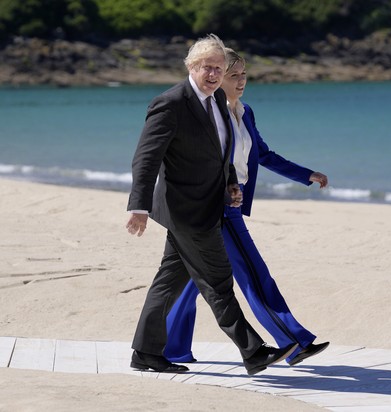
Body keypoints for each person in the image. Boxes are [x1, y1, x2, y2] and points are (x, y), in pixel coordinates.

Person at [125, 34, 297, 376]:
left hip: (209, 204)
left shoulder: (217, 100)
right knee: (218, 280)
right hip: (184, 210)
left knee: (168, 282)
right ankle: (254, 352)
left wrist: (231, 184)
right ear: (192, 66)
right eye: (208, 67)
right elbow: (146, 159)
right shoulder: (170, 103)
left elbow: (222, 152)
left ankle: (145, 352)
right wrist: (138, 206)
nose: (215, 74)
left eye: (219, 68)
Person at [163, 48, 330, 367]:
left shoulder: (245, 112)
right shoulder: (207, 115)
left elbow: (264, 155)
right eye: (232, 75)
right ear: (215, 77)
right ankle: (293, 343)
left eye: (244, 75)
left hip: (226, 206)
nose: (241, 81)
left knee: (193, 281)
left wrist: (305, 174)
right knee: (253, 273)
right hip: (216, 207)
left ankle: (170, 348)